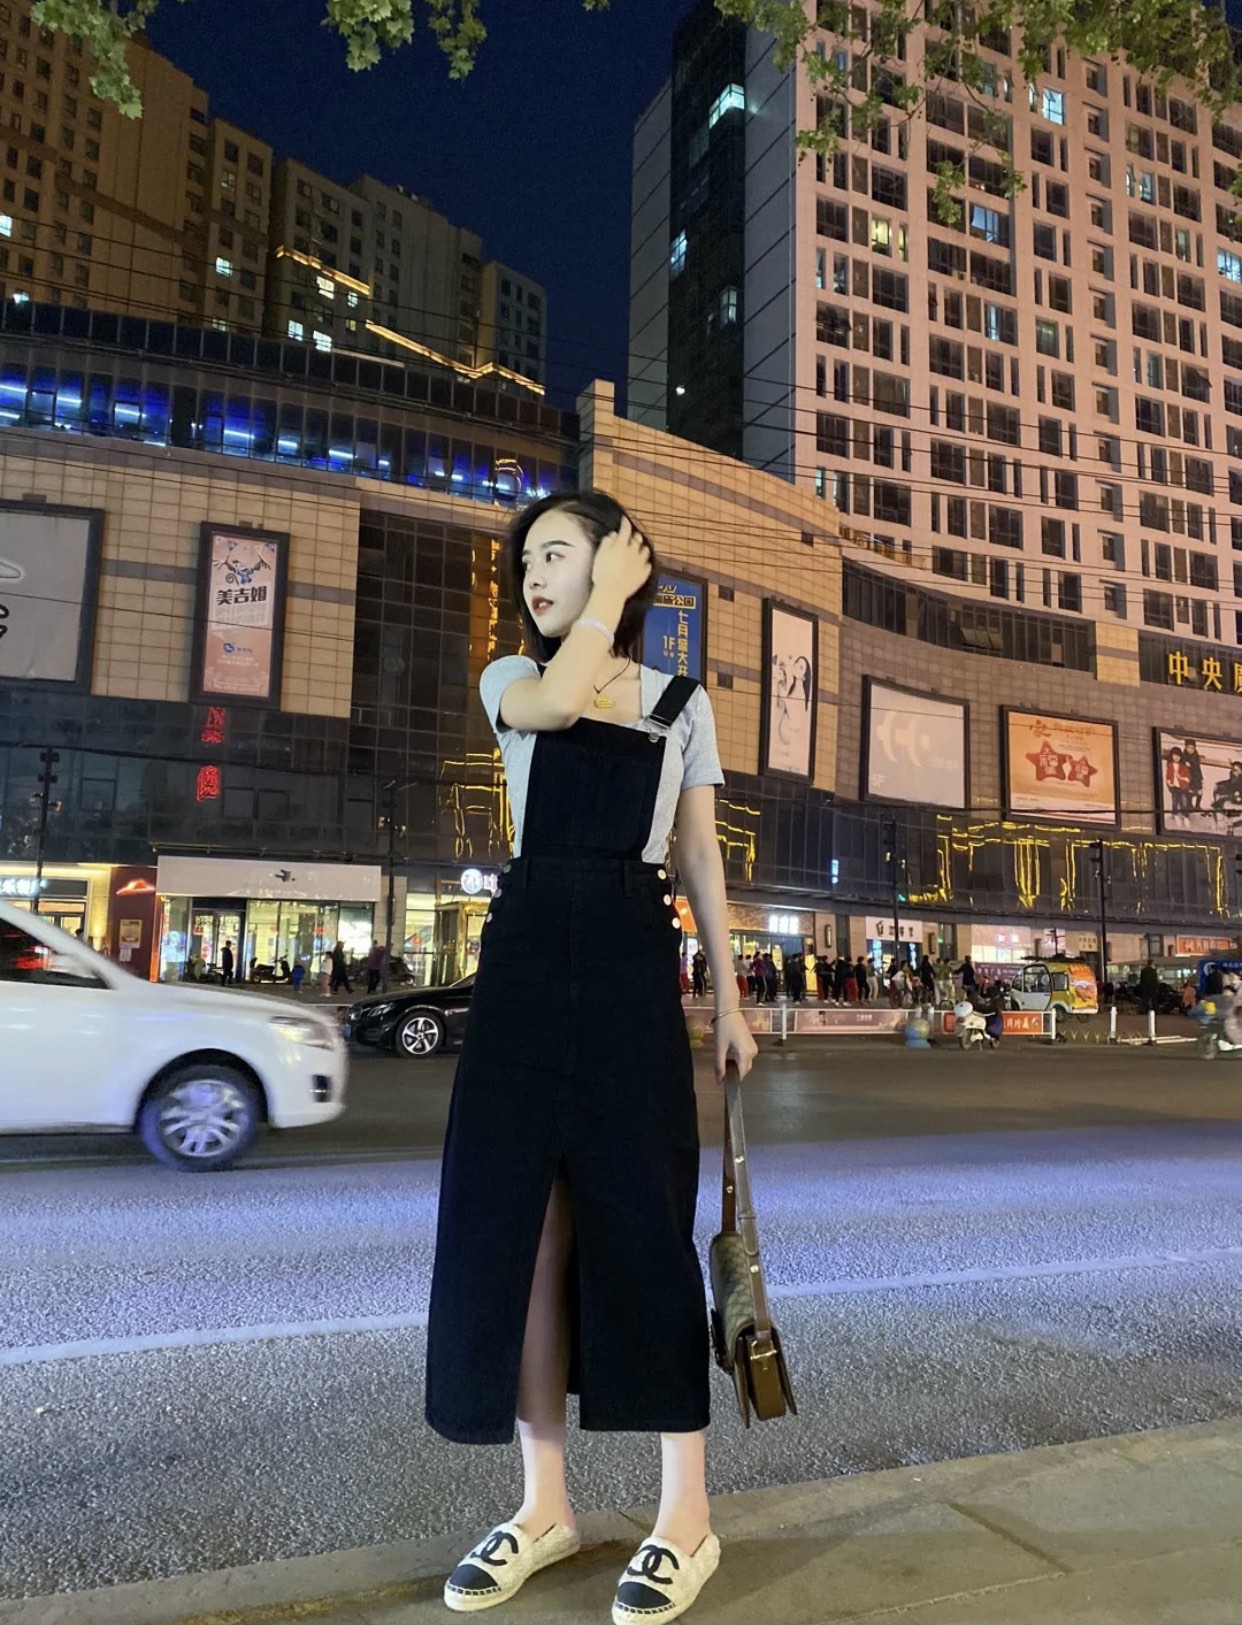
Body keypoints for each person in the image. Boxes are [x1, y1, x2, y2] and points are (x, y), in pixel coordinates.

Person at [426, 492, 756, 1625]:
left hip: (628, 954)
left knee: (643, 1223)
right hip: (523, 954)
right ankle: (544, 1506)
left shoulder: (678, 702)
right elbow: (562, 700)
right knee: (523, 1229)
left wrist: (730, 997)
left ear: (619, 560)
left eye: (557, 553)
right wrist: (603, 601)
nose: (532, 572)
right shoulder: (513, 680)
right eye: (527, 557)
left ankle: (686, 1517)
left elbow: (701, 856)